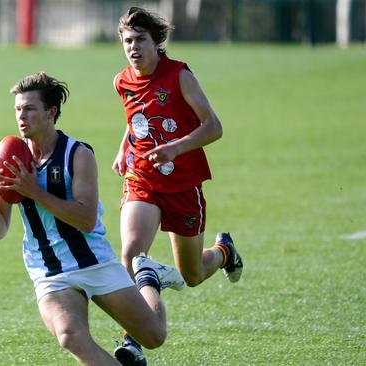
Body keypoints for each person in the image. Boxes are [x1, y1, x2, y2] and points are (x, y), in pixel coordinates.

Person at [0, 72, 184, 366]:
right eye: (17, 109)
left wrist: (35, 191)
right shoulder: (12, 156)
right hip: (50, 270)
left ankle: (148, 278)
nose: (21, 116)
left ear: (51, 113)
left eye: (29, 109)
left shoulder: (78, 154)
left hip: (94, 261)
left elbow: (86, 219)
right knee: (70, 336)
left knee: (154, 336)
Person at [111, 7, 244, 363]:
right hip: (142, 179)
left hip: (184, 186)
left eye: (140, 40)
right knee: (131, 254)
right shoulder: (122, 80)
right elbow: (135, 118)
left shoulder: (180, 75)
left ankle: (225, 252)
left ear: (157, 43)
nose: (133, 47)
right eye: (127, 41)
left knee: (193, 274)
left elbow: (213, 126)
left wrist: (175, 148)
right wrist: (124, 148)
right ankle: (132, 341)